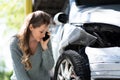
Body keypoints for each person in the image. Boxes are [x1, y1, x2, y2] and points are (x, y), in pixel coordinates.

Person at [10, 10, 54, 80]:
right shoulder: (15, 42)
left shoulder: (45, 39)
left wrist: (44, 47)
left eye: (46, 31)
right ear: (31, 27)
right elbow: (20, 74)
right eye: (41, 31)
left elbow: (49, 66)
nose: (43, 35)